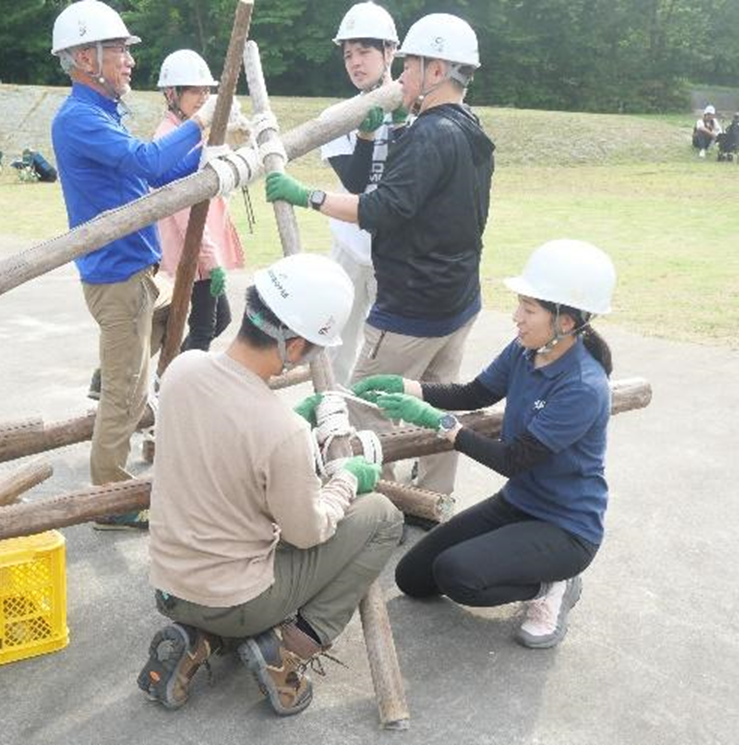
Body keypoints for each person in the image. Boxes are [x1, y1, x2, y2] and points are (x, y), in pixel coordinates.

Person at [139, 254, 401, 715]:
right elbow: (307, 532)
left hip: (168, 587)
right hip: (235, 601)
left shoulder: (183, 369)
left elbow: (221, 437)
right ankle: (286, 650)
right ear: (295, 346)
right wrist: (344, 479)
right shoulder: (283, 432)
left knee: (240, 562)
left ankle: (199, 641)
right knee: (382, 515)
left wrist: (291, 431)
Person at [264, 12, 493, 498]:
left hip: (413, 306)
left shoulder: (430, 133)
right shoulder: (469, 128)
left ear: (436, 71)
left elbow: (382, 208)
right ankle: (432, 497)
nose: (403, 75)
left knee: (365, 404)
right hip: (458, 298)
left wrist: (307, 196)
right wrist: (386, 130)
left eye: (409, 65)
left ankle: (378, 505)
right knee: (435, 401)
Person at [366, 240, 616, 649]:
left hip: (566, 527)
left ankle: (551, 586)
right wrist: (405, 386)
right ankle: (532, 570)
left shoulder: (583, 387)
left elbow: (513, 460)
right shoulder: (524, 350)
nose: (516, 317)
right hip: (518, 504)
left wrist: (442, 425)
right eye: (520, 306)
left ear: (565, 321)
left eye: (528, 310)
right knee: (412, 577)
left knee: (457, 574)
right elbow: (474, 393)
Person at [48, 0, 227, 527]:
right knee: (125, 396)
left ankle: (115, 371)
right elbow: (148, 161)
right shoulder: (79, 119)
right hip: (117, 277)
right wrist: (200, 122)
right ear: (86, 58)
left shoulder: (104, 113)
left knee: (166, 332)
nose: (129, 61)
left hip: (137, 273)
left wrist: (210, 155)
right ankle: (111, 499)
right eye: (119, 51)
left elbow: (155, 176)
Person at [319, 1, 403, 381]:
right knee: (334, 343)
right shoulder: (336, 117)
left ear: (390, 51)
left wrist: (401, 123)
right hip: (350, 247)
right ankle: (331, 409)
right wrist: (366, 135)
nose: (355, 62)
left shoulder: (418, 112)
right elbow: (355, 184)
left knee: (387, 348)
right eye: (348, 54)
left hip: (396, 252)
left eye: (364, 51)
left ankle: (377, 414)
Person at [151, 48, 246, 354]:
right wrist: (211, 262)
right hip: (194, 253)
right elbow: (184, 213)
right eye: (194, 91)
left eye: (206, 91)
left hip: (200, 253)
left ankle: (171, 373)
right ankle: (175, 377)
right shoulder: (168, 137)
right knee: (205, 327)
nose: (203, 98)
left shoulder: (192, 131)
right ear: (171, 94)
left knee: (218, 321)